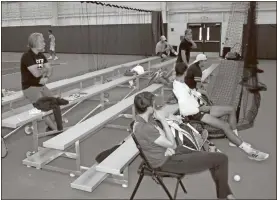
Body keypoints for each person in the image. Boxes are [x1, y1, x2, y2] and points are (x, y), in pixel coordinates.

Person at [133, 91, 236, 200]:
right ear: (149, 107)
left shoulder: (145, 118)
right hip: (165, 162)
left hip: (169, 152)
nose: (155, 106)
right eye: (153, 104)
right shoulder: (144, 128)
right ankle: (226, 196)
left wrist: (166, 147)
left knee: (213, 158)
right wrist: (163, 121)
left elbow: (164, 138)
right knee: (221, 159)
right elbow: (171, 143)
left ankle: (226, 195)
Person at [172, 62, 269, 161]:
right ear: (185, 72)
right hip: (196, 114)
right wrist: (199, 109)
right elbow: (185, 109)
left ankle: (234, 139)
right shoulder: (180, 88)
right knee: (225, 125)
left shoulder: (180, 82)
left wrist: (197, 93)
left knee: (231, 110)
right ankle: (250, 152)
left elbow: (189, 94)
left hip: (200, 107)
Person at [20, 32, 60, 132]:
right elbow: (36, 74)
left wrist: (46, 76)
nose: (45, 43)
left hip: (41, 85)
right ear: (35, 43)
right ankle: (57, 131)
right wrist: (44, 71)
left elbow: (50, 69)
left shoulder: (41, 55)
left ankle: (51, 127)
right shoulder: (27, 56)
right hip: (30, 88)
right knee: (44, 108)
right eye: (42, 41)